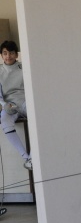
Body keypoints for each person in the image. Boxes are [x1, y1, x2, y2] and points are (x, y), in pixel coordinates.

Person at [0, 40, 31, 170]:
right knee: (4, 120)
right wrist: (4, 105)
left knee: (38, 118)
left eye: (11, 53)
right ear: (1, 55)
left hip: (25, 102)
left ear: (16, 55)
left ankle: (33, 157)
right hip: (10, 104)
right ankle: (26, 157)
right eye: (5, 53)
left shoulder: (25, 68)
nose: (8, 56)